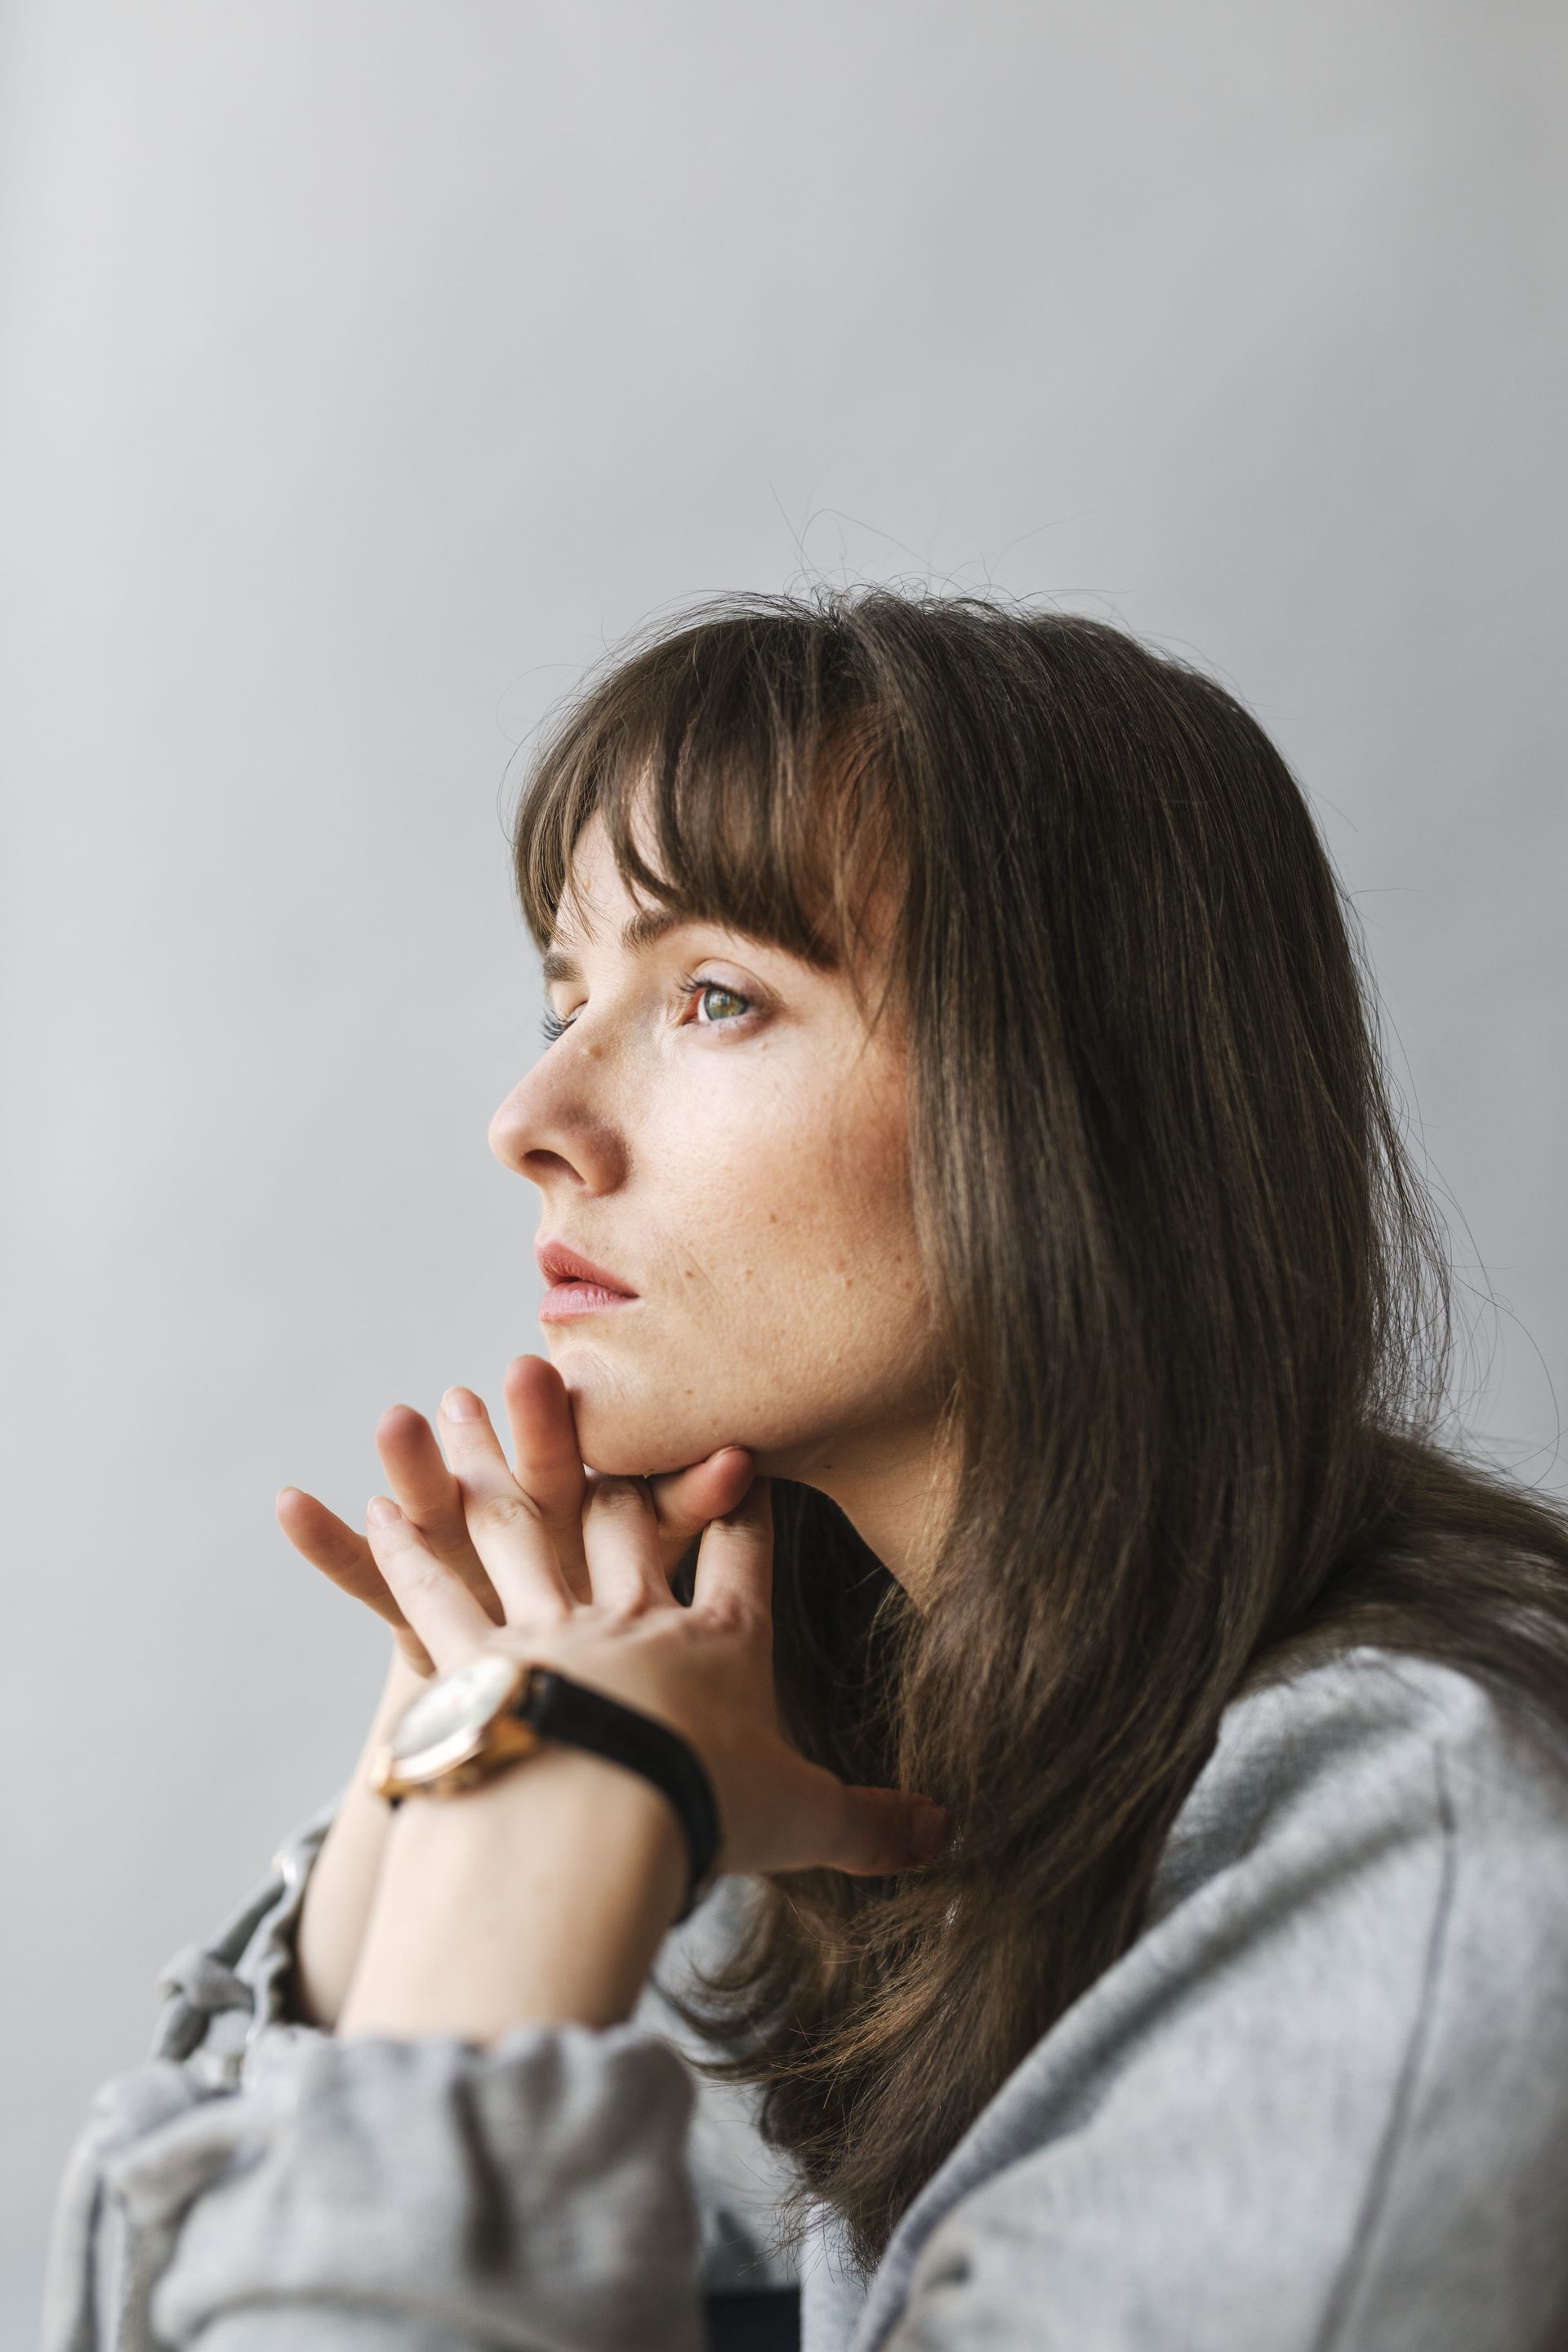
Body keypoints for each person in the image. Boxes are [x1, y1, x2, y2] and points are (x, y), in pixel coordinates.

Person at [44, 588, 1568, 2352]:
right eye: (565, 990)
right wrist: (439, 1776)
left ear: (1070, 1106)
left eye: (713, 996)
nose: (530, 1111)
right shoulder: (800, 1808)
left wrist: (559, 1789)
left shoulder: (1412, 1843)